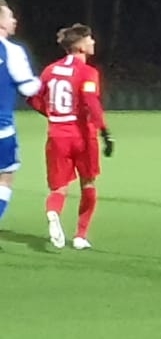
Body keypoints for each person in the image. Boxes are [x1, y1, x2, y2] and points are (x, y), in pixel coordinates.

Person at [31, 23, 112, 250]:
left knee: (58, 187)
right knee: (88, 183)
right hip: (82, 136)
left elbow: (33, 97)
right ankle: (80, 236)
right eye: (89, 39)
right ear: (80, 46)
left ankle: (53, 212)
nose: (93, 42)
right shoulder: (87, 72)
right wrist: (104, 131)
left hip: (57, 135)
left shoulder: (50, 70)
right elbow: (91, 102)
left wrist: (52, 114)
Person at [0, 0, 44, 242]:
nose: (14, 20)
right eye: (10, 16)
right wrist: (41, 81)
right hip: (2, 129)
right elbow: (28, 88)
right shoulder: (12, 51)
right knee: (5, 176)